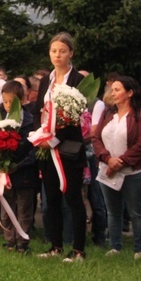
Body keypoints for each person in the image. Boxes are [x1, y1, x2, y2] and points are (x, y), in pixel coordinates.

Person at [33, 33, 88, 262]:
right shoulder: (47, 80)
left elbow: (77, 116)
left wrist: (55, 137)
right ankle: (55, 245)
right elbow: (38, 111)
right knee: (51, 199)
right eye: (54, 51)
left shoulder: (77, 80)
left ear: (71, 53)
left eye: (62, 51)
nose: (57, 55)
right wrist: (40, 136)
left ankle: (78, 250)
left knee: (73, 197)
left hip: (68, 147)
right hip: (46, 147)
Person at [93, 76, 141, 260]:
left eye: (117, 89)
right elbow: (96, 139)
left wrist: (120, 162)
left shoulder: (140, 115)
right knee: (113, 210)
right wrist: (107, 159)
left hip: (133, 172)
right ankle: (115, 246)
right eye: (112, 89)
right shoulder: (108, 113)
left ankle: (139, 249)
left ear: (130, 92)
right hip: (107, 169)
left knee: (136, 212)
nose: (113, 93)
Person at [0, 80, 37, 254]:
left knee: (24, 209)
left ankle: (23, 242)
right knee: (6, 208)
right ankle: (9, 241)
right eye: (4, 101)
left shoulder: (30, 121)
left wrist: (18, 165)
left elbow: (33, 150)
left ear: (21, 100)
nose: (7, 106)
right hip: (5, 172)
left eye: (11, 102)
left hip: (24, 172)